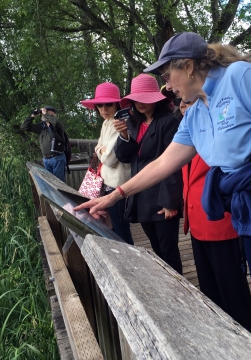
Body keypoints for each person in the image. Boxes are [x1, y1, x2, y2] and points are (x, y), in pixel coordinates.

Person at [74, 33, 251, 360]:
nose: (166, 85)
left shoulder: (240, 78)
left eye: (167, 75)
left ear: (188, 67)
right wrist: (115, 195)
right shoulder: (197, 110)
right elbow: (163, 163)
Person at [179, 100, 251, 334]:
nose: (183, 106)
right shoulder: (186, 134)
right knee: (208, 284)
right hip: (197, 222)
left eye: (188, 102)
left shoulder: (218, 130)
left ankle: (246, 332)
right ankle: (220, 330)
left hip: (221, 221)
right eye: (181, 103)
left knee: (231, 283)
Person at [113, 74, 184, 275]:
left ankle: (180, 292)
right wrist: (124, 136)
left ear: (156, 99)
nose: (140, 103)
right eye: (137, 99)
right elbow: (124, 157)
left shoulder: (169, 122)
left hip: (161, 195)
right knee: (156, 249)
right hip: (141, 194)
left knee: (169, 251)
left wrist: (170, 201)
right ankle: (166, 290)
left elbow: (173, 162)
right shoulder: (132, 123)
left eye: (146, 98)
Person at [80, 82, 134, 245]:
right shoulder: (107, 122)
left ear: (117, 103)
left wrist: (101, 150)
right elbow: (100, 148)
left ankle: (130, 264)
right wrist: (101, 149)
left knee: (120, 231)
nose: (103, 108)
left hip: (118, 185)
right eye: (99, 105)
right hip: (109, 184)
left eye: (108, 104)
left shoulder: (119, 123)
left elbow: (109, 159)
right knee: (114, 228)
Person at [21, 106, 67, 182]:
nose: (43, 115)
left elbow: (54, 121)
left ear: (52, 114)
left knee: (59, 183)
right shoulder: (42, 126)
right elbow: (24, 127)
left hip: (57, 158)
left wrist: (45, 113)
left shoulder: (57, 124)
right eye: (42, 113)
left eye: (45, 112)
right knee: (50, 184)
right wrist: (32, 116)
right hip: (46, 159)